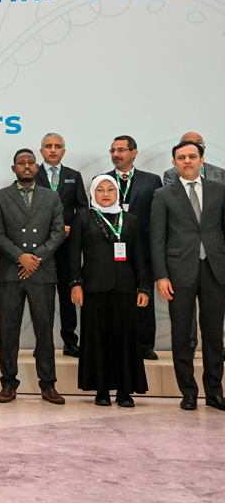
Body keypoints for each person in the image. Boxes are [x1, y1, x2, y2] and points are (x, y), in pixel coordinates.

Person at [151, 140, 225, 412]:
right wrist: (160, 275)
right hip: (178, 273)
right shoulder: (163, 195)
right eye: (181, 158)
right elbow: (157, 239)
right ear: (174, 164)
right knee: (182, 335)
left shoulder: (220, 190)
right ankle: (188, 392)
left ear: (202, 159)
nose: (187, 161)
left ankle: (215, 392)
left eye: (192, 156)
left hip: (215, 271)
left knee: (214, 334)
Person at [0, 149, 67, 405]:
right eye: (21, 163)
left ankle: (48, 385)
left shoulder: (52, 196)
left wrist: (35, 258)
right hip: (11, 273)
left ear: (37, 168)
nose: (26, 166)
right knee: (9, 332)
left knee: (44, 332)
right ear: (13, 169)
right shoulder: (1, 197)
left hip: (42, 273)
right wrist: (21, 257)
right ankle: (8, 384)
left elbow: (58, 232)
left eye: (31, 163)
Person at [68, 175, 150, 407]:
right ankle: (101, 390)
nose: (105, 194)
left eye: (110, 189)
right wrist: (76, 283)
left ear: (118, 193)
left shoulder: (131, 220)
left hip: (125, 288)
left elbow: (139, 258)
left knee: (125, 339)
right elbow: (73, 254)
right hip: (94, 288)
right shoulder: (83, 218)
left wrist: (143, 287)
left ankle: (125, 391)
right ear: (93, 193)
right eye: (100, 189)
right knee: (97, 338)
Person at [107, 135, 162, 360]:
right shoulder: (102, 180)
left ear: (134, 152)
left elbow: (158, 218)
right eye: (112, 151)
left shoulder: (152, 180)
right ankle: (115, 344)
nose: (116, 155)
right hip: (110, 249)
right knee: (114, 299)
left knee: (144, 296)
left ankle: (145, 345)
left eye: (121, 150)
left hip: (144, 250)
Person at [35, 133, 89, 358]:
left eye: (57, 146)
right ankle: (43, 344)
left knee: (68, 294)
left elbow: (83, 209)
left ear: (64, 151)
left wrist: (72, 229)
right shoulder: (31, 174)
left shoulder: (73, 176)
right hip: (41, 246)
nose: (53, 150)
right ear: (41, 151)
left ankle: (70, 341)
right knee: (42, 296)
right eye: (48, 146)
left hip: (67, 244)